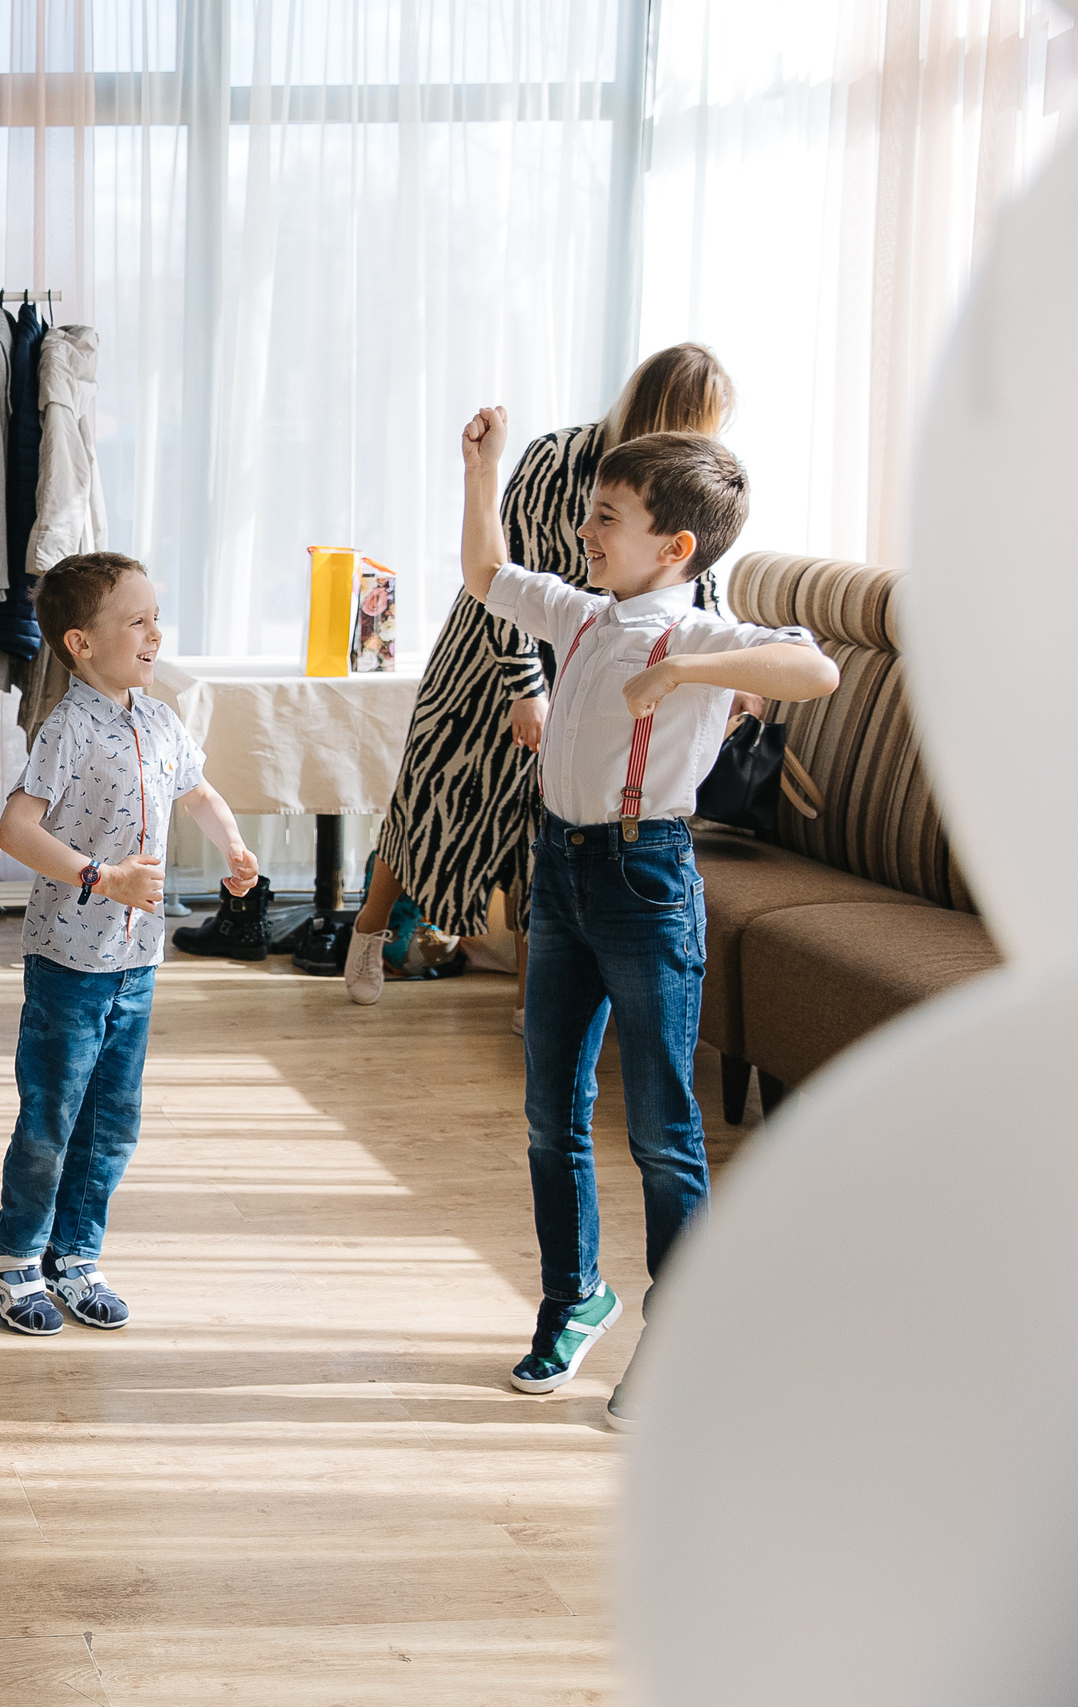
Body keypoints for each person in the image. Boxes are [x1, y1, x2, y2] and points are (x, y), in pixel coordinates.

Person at [455, 408, 836, 1426]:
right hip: (560, 872)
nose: (586, 534)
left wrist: (687, 671)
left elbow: (816, 668)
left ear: (673, 547)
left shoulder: (700, 628)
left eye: (606, 519)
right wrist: (481, 471)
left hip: (644, 880)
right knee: (552, 1113)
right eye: (589, 516)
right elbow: (486, 576)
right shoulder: (579, 613)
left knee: (664, 1129)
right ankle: (573, 1296)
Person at [347, 344, 741, 1013]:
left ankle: (540, 1007)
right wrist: (524, 684)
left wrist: (722, 669)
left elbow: (697, 582)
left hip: (593, 664)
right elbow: (506, 571)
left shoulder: (680, 487)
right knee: (429, 795)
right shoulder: (559, 456)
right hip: (489, 655)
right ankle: (367, 932)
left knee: (545, 830)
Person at [0, 551, 262, 1336]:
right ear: (81, 643)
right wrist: (102, 876)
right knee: (53, 1113)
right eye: (136, 620)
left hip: (135, 961)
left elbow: (196, 789)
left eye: (155, 616)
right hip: (70, 959)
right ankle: (12, 1254)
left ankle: (76, 1254)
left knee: (113, 1119)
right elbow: (14, 828)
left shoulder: (159, 719)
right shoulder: (65, 728)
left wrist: (233, 847)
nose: (155, 633)